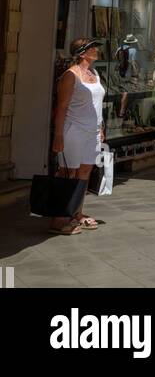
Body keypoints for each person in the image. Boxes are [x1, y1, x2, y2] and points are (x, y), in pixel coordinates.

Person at [50, 37, 106, 235]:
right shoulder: (70, 75)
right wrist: (58, 135)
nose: (97, 50)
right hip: (73, 130)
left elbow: (98, 104)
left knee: (84, 172)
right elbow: (62, 106)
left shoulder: (95, 74)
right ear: (82, 53)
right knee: (68, 173)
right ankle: (59, 218)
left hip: (92, 132)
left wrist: (100, 126)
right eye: (92, 48)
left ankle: (76, 212)